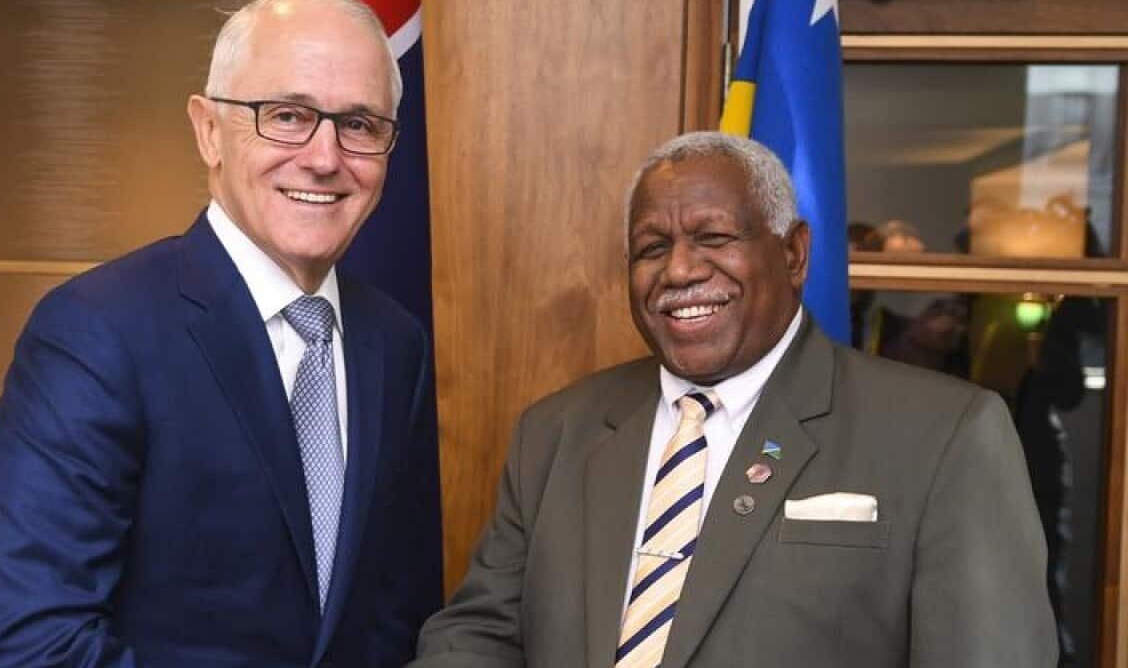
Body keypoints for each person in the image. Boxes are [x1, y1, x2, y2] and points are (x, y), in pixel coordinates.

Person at [411, 132, 1055, 667]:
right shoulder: (557, 431)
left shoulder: (945, 435)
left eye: (714, 238)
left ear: (794, 254)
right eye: (652, 248)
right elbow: (480, 637)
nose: (680, 270)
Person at [0, 0, 442, 668]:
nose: (324, 156)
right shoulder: (96, 332)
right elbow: (32, 647)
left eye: (360, 124)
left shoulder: (396, 346)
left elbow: (398, 618)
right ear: (209, 130)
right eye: (287, 115)